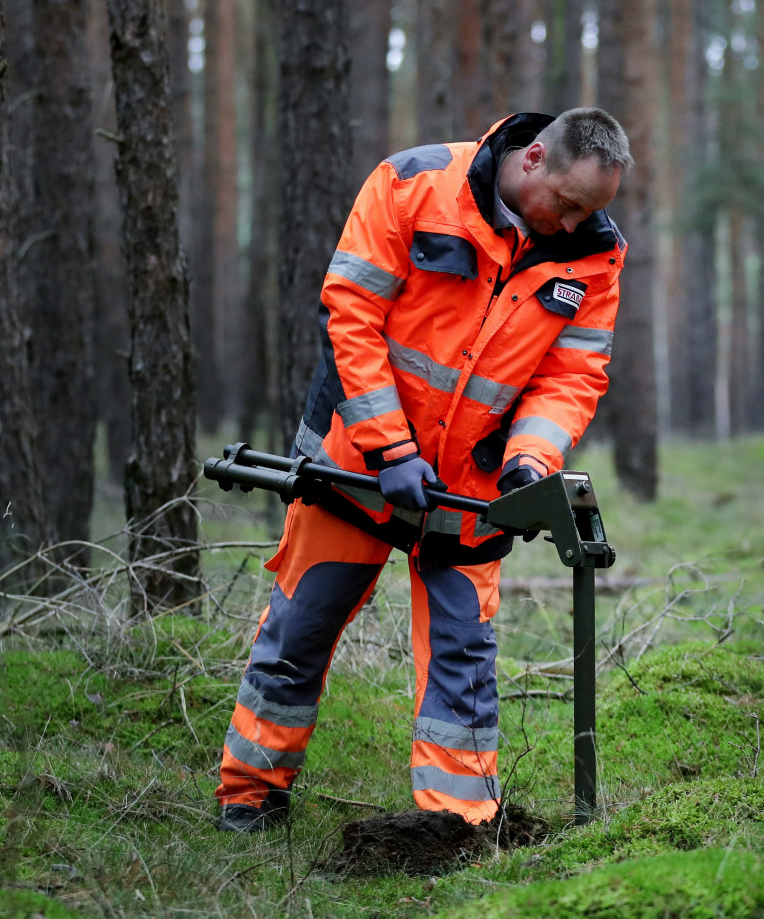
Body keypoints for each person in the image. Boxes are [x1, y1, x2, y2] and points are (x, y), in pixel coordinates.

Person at [215, 108, 633, 831]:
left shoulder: (595, 256)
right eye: (566, 203)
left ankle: (458, 821)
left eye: (589, 211)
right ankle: (250, 793)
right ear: (533, 158)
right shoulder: (412, 183)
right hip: (354, 467)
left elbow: (573, 375)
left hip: (471, 491)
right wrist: (390, 448)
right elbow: (350, 312)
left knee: (464, 656)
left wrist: (530, 461)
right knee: (300, 627)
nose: (571, 224)